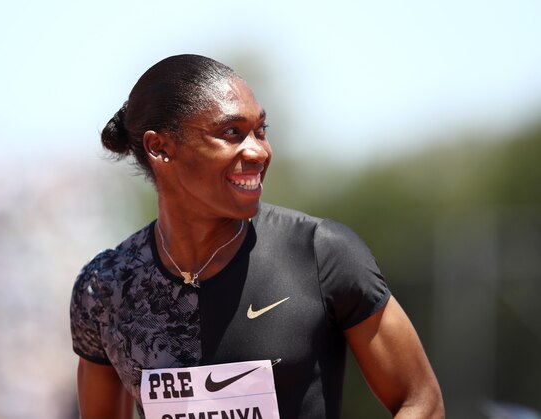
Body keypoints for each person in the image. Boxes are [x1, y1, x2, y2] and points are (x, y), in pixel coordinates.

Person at [70, 54, 445, 419]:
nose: (258, 151)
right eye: (231, 133)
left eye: (260, 131)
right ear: (160, 148)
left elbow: (420, 401)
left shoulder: (320, 253)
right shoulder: (106, 288)